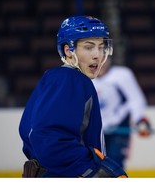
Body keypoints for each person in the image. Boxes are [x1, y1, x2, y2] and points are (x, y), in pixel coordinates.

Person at [18, 16, 128, 178]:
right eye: (89, 47)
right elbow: (50, 139)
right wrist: (90, 171)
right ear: (69, 51)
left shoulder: (57, 77)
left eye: (101, 47)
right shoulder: (71, 79)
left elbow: (34, 133)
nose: (97, 55)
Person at [92, 58, 152, 169]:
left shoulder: (122, 75)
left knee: (115, 163)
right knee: (92, 163)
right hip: (94, 129)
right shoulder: (83, 77)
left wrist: (140, 119)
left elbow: (135, 99)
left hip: (119, 126)